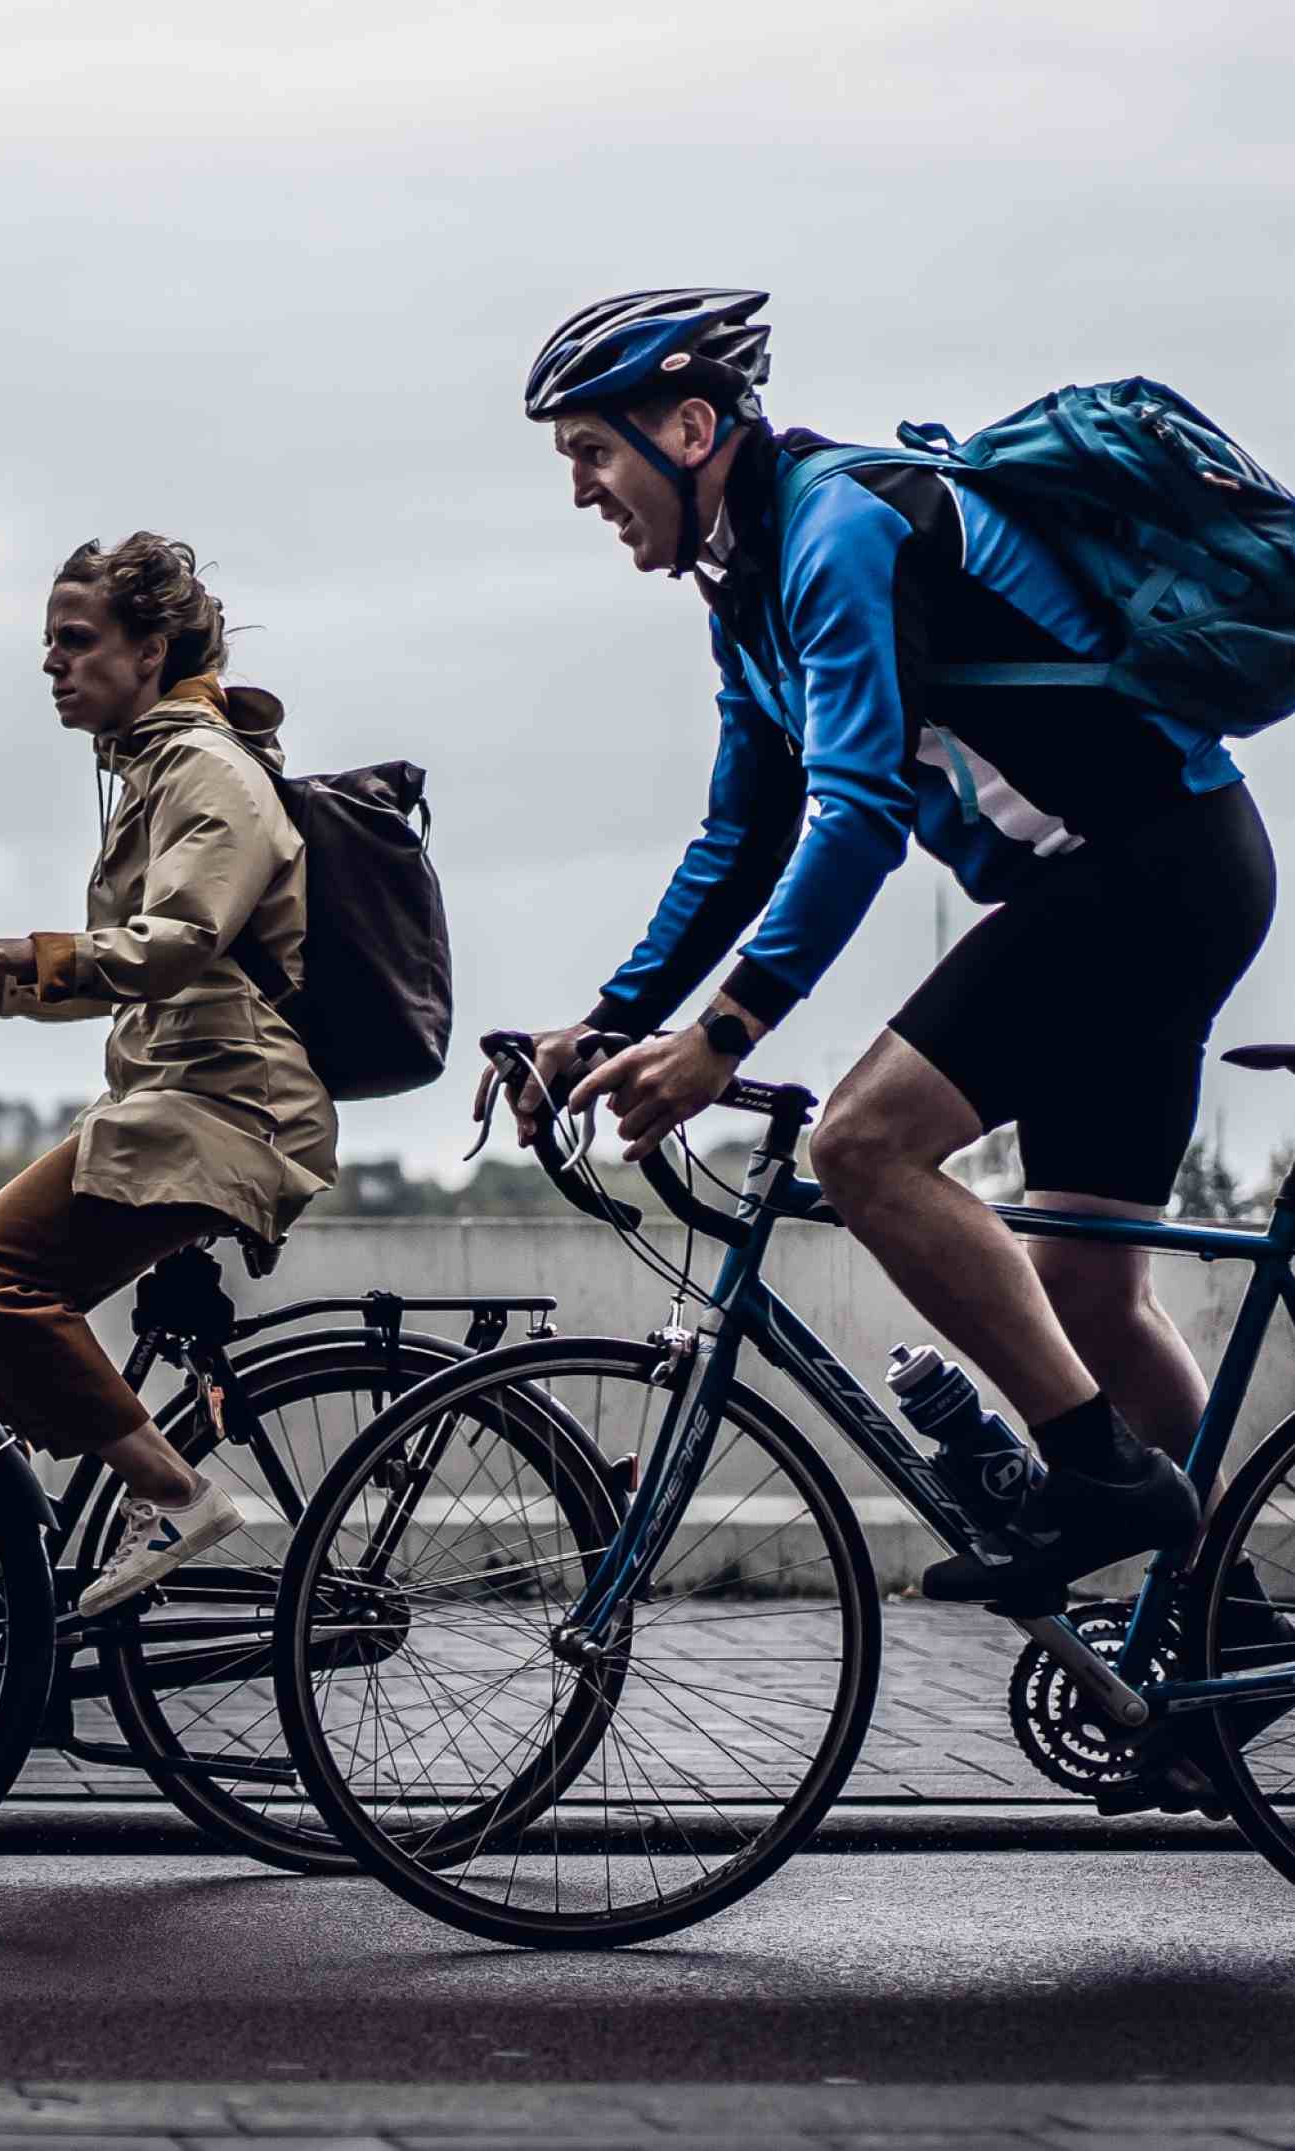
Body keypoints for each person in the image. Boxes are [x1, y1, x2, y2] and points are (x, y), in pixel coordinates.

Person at [497, 287, 1273, 1617]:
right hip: (1140, 878)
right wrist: (616, 1013)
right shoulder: (742, 583)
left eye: (590, 450)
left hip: (1146, 870)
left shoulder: (837, 528)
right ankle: (1217, 1640)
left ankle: (1099, 1479)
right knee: (1085, 1286)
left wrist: (723, 1031)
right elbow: (742, 831)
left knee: (860, 1145)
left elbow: (852, 813)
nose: (580, 489)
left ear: (690, 425)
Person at [0, 534, 338, 1663]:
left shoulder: (210, 771)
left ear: (150, 649)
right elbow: (137, 964)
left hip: (227, 1111)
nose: (53, 666)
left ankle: (173, 1493)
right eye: (49, 644)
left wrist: (16, 946)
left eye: (76, 641)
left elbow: (177, 944)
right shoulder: (161, 772)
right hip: (179, 1098)